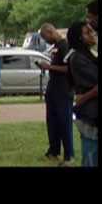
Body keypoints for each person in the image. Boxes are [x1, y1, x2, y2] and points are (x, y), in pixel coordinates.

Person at [39, 23, 74, 166]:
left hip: (63, 90)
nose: (46, 41)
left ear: (50, 32)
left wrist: (49, 66)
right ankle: (54, 150)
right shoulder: (56, 47)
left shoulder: (65, 46)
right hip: (53, 89)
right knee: (52, 122)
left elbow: (68, 68)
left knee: (64, 122)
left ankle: (69, 155)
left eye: (45, 37)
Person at [67, 21, 98, 166]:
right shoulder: (78, 58)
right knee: (91, 156)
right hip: (90, 114)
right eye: (88, 32)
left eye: (92, 31)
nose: (93, 34)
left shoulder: (91, 53)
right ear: (79, 38)